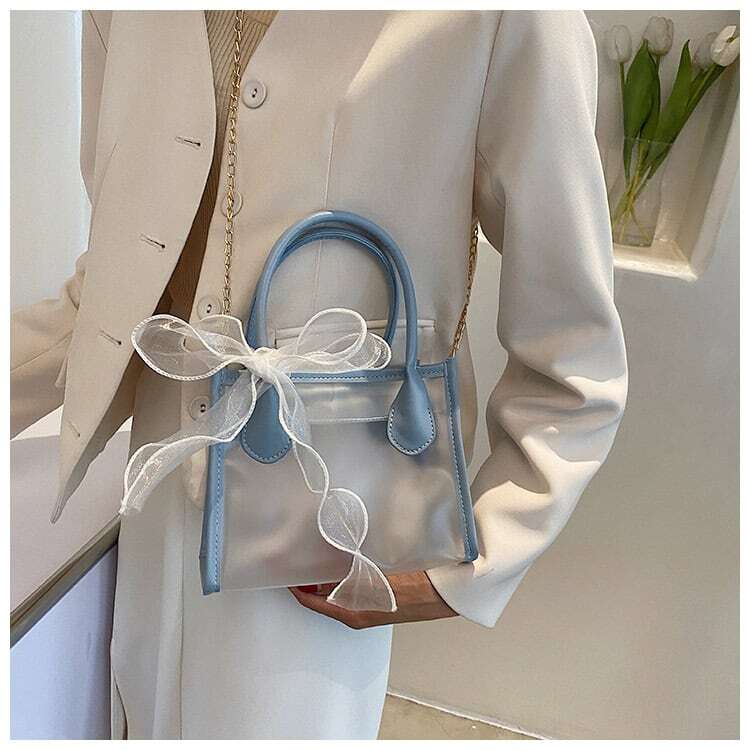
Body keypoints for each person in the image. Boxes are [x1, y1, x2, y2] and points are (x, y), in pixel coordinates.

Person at [10, 10, 628, 740]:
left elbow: (573, 353)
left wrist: (469, 565)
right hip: (153, 490)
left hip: (327, 526)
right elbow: (122, 276)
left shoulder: (502, 19)